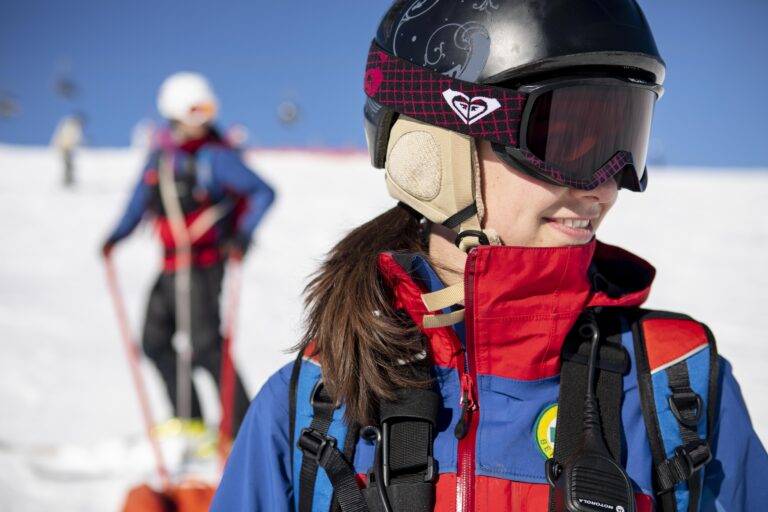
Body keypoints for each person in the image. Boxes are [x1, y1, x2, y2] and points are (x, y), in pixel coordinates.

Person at [212, 1, 767, 511]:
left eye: (626, 138)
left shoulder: (679, 388)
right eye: (571, 137)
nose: (607, 185)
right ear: (437, 148)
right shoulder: (316, 404)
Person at [102, 72, 275, 438]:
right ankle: (191, 420)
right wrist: (114, 238)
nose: (205, 119)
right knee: (154, 342)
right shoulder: (159, 159)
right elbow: (138, 203)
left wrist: (242, 235)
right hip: (169, 266)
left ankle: (240, 427)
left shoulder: (216, 157)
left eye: (208, 110)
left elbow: (263, 192)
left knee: (206, 346)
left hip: (203, 265)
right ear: (175, 112)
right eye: (196, 111)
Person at [51, 113, 84, 187]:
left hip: (68, 149)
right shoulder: (69, 126)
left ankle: (69, 180)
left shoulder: (71, 126)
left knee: (70, 165)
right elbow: (64, 138)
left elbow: (76, 139)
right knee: (68, 165)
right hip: (65, 148)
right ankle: (67, 181)